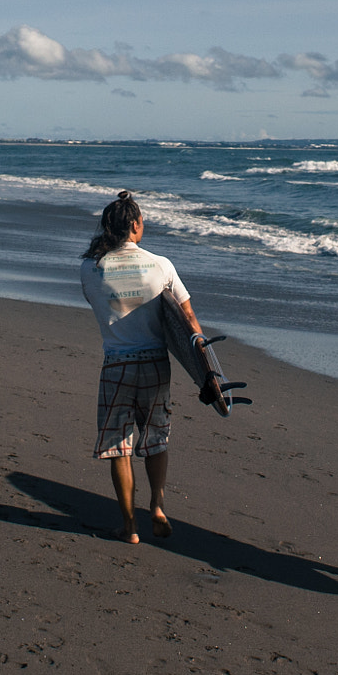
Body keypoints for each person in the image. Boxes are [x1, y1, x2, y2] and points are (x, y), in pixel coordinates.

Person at [79, 191, 205, 545]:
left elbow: (95, 300)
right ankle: (159, 506)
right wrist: (206, 369)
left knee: (119, 446)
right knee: (156, 438)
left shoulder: (90, 268)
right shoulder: (162, 265)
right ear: (135, 225)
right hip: (155, 365)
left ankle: (130, 526)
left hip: (116, 364)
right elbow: (189, 319)